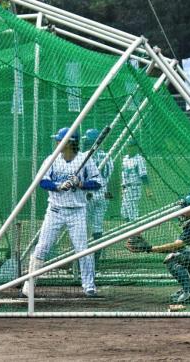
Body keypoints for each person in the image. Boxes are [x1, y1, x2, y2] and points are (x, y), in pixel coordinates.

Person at [23, 127, 104, 297]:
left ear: (69, 143)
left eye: (60, 140)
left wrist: (80, 184)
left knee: (82, 249)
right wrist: (58, 186)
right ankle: (28, 287)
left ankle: (89, 286)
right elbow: (42, 182)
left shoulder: (85, 160)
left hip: (77, 212)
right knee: (42, 247)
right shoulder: (52, 159)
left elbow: (97, 183)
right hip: (55, 211)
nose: (57, 143)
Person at [125, 194, 190, 304]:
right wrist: (149, 249)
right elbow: (178, 246)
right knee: (179, 253)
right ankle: (188, 287)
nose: (181, 210)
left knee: (173, 258)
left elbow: (176, 245)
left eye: (184, 207)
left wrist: (150, 248)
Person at [82, 128, 114, 260]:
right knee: (97, 226)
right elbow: (110, 174)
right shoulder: (108, 155)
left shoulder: (85, 156)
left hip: (89, 194)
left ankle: (81, 258)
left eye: (87, 140)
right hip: (103, 193)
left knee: (82, 225)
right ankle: (96, 258)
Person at [120, 138, 148, 222]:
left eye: (132, 146)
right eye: (128, 146)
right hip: (126, 188)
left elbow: (144, 176)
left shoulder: (139, 159)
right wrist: (122, 188)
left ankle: (135, 232)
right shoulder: (125, 159)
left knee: (132, 211)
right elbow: (123, 175)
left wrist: (147, 190)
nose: (129, 148)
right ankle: (131, 229)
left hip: (134, 188)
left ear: (136, 147)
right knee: (124, 212)